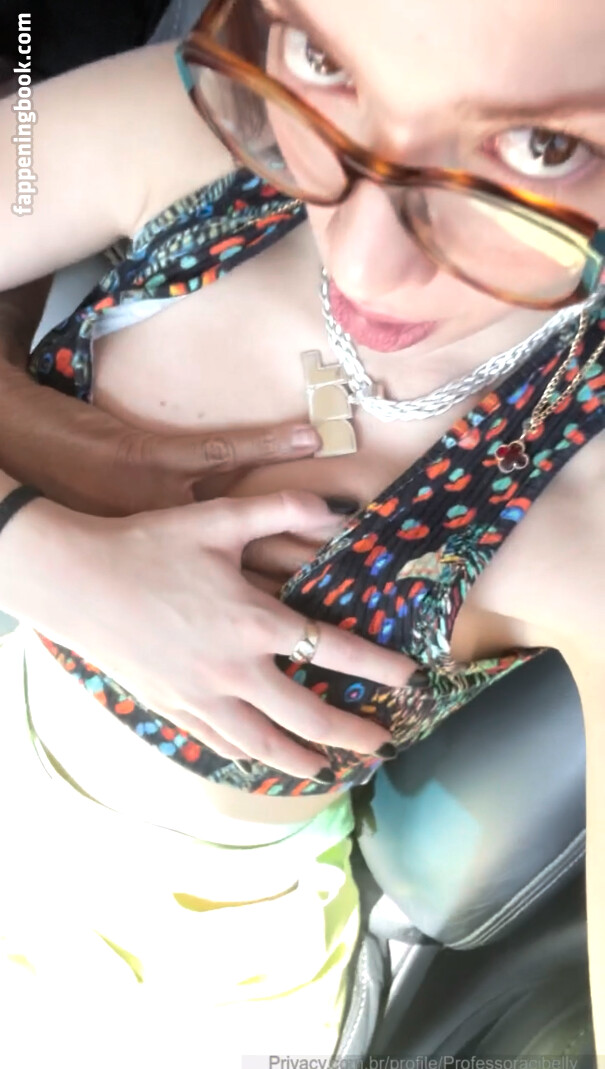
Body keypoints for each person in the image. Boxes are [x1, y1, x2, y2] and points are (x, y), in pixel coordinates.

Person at [0, 0, 604, 1064]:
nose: (361, 263)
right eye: (327, 61)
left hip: (168, 989)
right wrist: (37, 550)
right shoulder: (193, 121)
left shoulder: (581, 494)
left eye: (540, 149)